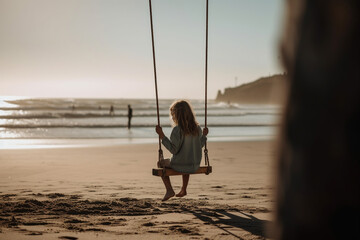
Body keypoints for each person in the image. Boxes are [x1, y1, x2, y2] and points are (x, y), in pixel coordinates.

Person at [155, 100, 208, 201]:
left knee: (160, 163)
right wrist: (204, 136)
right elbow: (199, 145)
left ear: (177, 115)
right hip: (194, 164)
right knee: (187, 155)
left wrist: (162, 136)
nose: (172, 117)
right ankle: (184, 189)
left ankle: (169, 190)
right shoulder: (197, 129)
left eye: (173, 115)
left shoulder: (177, 130)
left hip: (179, 164)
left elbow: (173, 150)